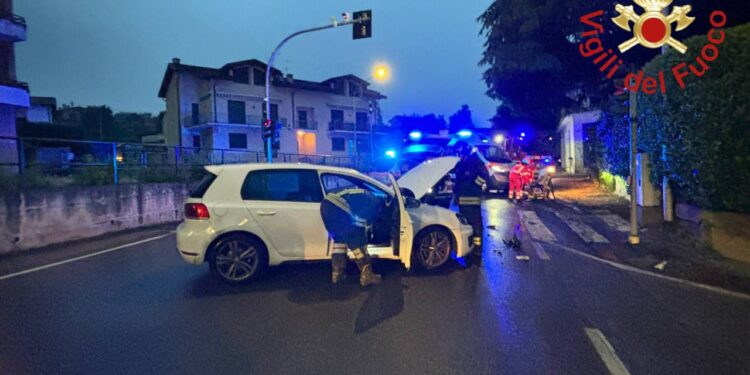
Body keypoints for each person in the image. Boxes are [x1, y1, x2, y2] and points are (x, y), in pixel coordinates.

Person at [320, 187, 394, 286]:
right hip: (338, 207)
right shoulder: (374, 203)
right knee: (358, 244)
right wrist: (362, 240)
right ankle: (367, 276)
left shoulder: (367, 196)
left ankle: (337, 273)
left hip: (326, 206)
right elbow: (360, 223)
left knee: (340, 241)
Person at [453, 141, 489, 252]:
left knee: (475, 225)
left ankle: (477, 249)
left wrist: (474, 187)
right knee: (466, 226)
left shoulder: (475, 161)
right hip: (463, 200)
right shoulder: (462, 163)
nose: (458, 156)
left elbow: (484, 175)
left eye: (459, 153)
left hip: (472, 200)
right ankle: (468, 247)